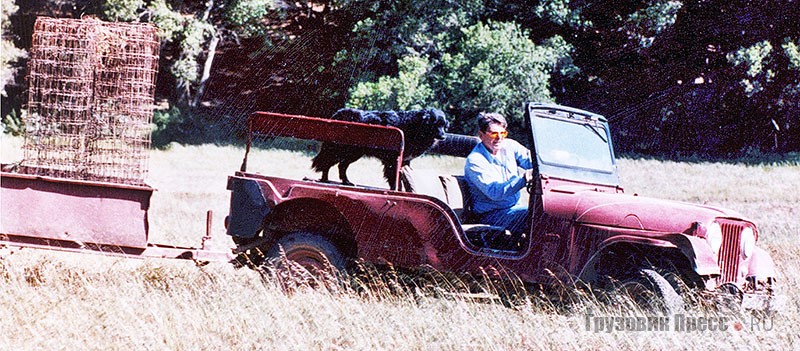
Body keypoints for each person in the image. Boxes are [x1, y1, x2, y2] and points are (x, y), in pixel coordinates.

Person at [464, 112, 533, 235]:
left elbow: (532, 161)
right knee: (536, 216)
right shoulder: (475, 160)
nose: (499, 138)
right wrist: (524, 178)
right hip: (491, 216)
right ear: (481, 135)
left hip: (513, 210)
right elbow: (495, 192)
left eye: (503, 133)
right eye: (494, 133)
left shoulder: (510, 145)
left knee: (548, 212)